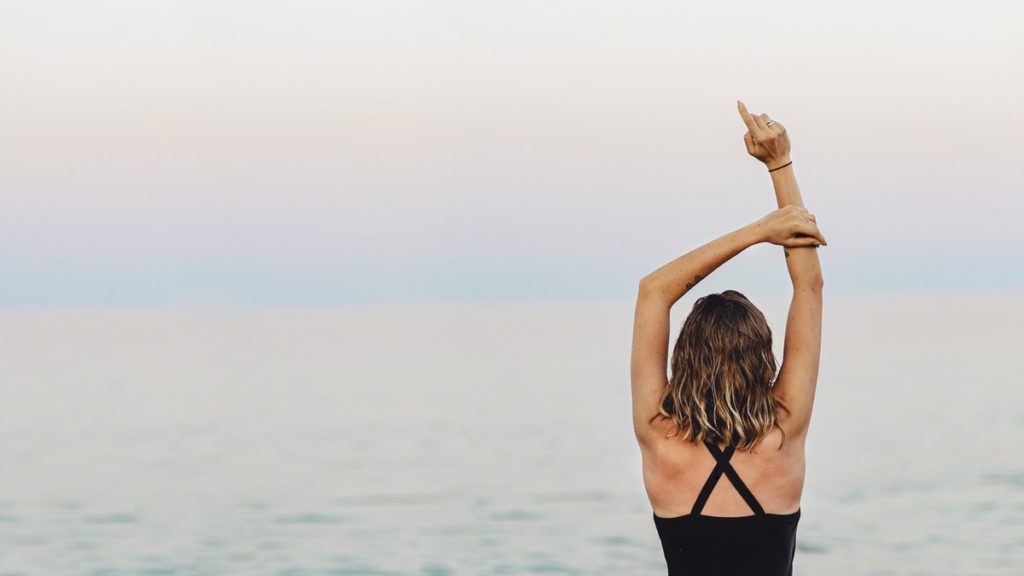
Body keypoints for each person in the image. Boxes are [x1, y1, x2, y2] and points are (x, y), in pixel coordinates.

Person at [630, 100, 826, 575]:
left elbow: (654, 292)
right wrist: (780, 165)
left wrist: (758, 232)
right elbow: (809, 286)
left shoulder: (660, 437)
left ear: (684, 355)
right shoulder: (783, 431)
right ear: (763, 357)